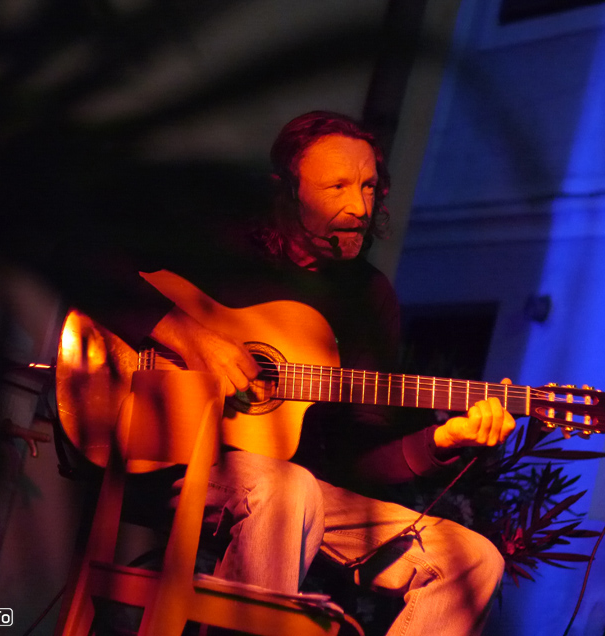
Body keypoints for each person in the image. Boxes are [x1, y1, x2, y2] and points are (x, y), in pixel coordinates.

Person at [119, 111, 515, 635]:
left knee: (473, 560)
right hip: (171, 461)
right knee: (292, 489)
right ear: (286, 191)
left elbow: (357, 461)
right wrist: (193, 338)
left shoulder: (368, 298)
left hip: (294, 494)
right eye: (337, 187)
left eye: (369, 187)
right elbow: (87, 259)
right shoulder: (223, 244)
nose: (360, 208)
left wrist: (443, 440)